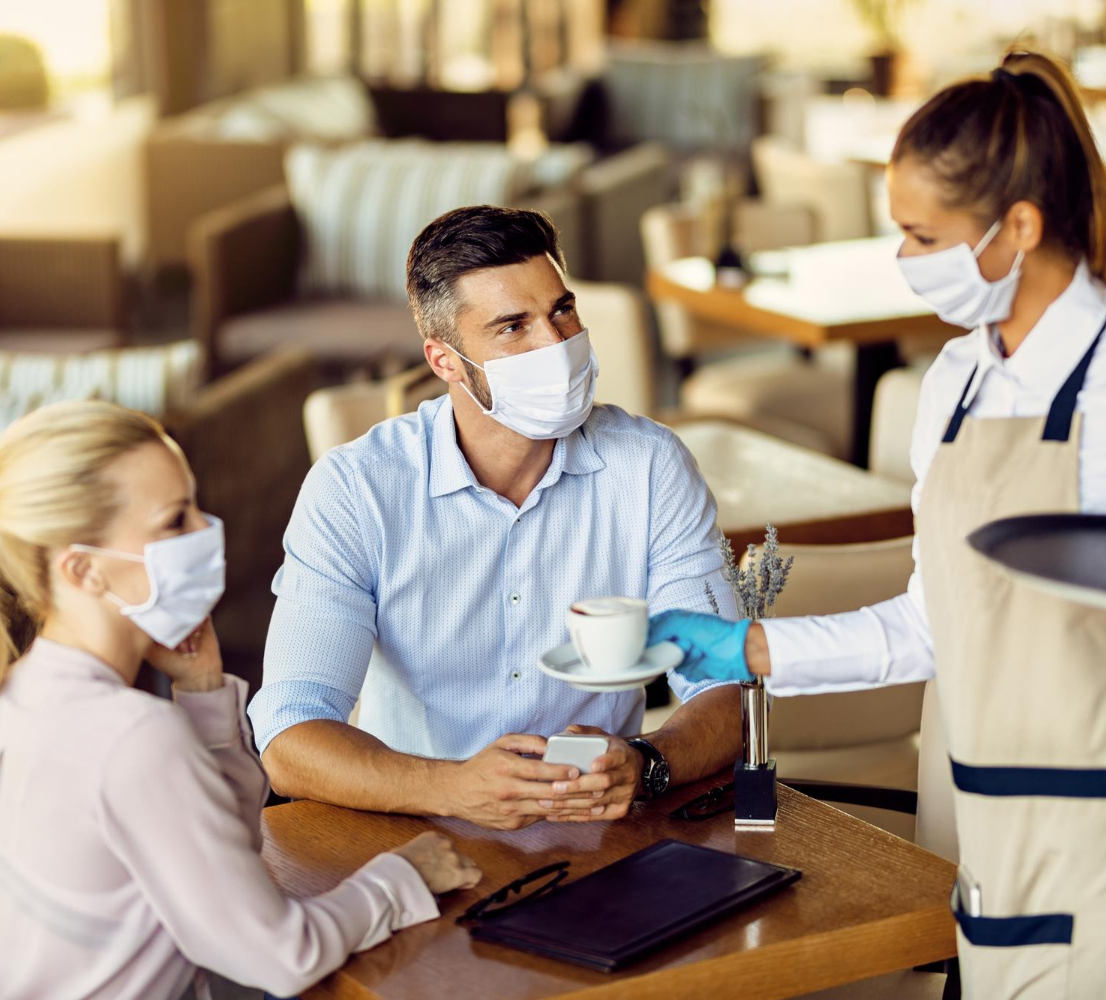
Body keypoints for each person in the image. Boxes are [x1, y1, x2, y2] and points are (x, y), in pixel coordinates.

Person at [650, 51, 1106, 999]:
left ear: (1017, 227)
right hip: (991, 834)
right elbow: (928, 627)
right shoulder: (952, 385)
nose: (906, 260)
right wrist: (749, 648)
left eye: (923, 235)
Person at [0, 400, 481, 1000]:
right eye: (174, 521)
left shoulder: (24, 689)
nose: (205, 531)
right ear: (84, 570)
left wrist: (203, 691)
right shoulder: (133, 736)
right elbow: (282, 956)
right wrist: (401, 879)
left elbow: (219, 857)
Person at [251, 206, 743, 830]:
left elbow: (730, 686)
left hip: (595, 830)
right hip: (408, 829)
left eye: (561, 310)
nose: (556, 343)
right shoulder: (356, 489)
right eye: (513, 327)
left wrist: (649, 763)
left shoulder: (649, 466)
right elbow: (290, 735)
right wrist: (452, 788)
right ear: (445, 361)